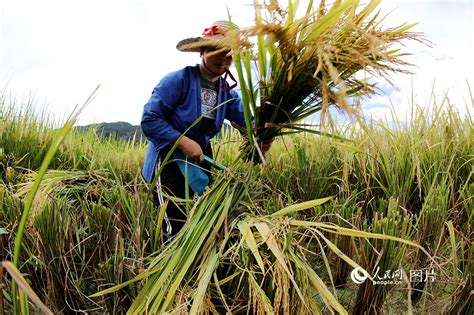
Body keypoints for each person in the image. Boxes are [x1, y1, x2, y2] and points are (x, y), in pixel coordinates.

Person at [141, 20, 255, 237]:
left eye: (229, 53)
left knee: (201, 216)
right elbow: (150, 119)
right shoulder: (177, 81)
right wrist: (183, 142)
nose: (223, 58)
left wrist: (260, 137)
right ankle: (170, 266)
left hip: (200, 157)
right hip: (169, 156)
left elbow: (246, 122)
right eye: (216, 50)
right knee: (174, 222)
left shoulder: (226, 93)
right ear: (202, 51)